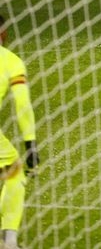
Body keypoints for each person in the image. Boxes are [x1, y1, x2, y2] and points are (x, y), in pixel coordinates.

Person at [0, 13, 39, 249]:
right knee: (15, 173)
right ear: (3, 33)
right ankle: (9, 240)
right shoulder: (11, 61)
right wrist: (30, 144)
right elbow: (23, 106)